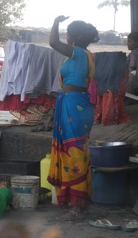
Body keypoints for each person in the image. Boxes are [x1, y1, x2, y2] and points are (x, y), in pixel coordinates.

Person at [47, 15, 98, 221]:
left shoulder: (78, 53)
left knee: (74, 154)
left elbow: (52, 42)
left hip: (75, 106)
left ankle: (77, 209)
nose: (66, 38)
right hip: (77, 104)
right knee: (79, 153)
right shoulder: (86, 55)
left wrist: (55, 21)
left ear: (76, 37)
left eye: (68, 34)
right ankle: (79, 204)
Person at [126, 32, 138, 102]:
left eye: (129, 41)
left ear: (137, 42)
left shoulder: (134, 53)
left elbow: (132, 67)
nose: (127, 43)